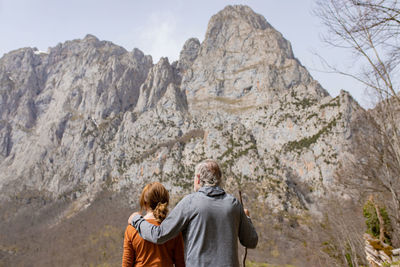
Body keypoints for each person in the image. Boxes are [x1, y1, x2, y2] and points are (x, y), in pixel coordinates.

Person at [128, 159, 258, 267]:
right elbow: (251, 241)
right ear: (219, 180)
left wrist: (136, 219)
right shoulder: (234, 204)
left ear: (198, 179)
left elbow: (158, 235)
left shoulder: (190, 203)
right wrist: (246, 217)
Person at [122, 182, 185, 267]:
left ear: (144, 203)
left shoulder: (131, 229)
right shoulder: (173, 229)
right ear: (165, 202)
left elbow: (127, 264)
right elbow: (180, 263)